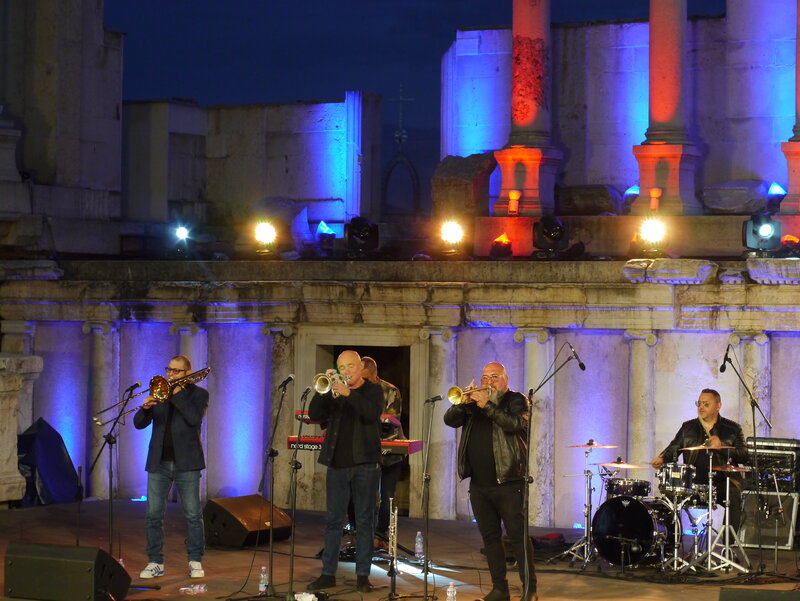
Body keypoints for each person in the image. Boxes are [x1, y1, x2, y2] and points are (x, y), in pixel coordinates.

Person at [443, 362, 537, 601]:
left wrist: (487, 405)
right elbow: (449, 420)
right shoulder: (473, 406)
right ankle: (499, 589)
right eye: (485, 378)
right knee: (490, 537)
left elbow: (514, 424)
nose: (488, 382)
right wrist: (463, 403)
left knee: (517, 537)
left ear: (505, 378)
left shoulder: (517, 400)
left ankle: (530, 589)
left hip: (508, 482)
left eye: (494, 377)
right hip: (479, 484)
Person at [306, 350, 384, 593]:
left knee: (364, 521)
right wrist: (324, 391)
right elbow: (314, 414)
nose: (346, 371)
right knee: (333, 520)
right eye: (342, 367)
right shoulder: (335, 392)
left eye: (350, 366)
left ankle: (363, 576)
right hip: (337, 464)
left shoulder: (373, 391)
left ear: (361, 367)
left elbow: (371, 414)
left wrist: (349, 394)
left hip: (365, 464)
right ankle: (328, 573)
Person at [134, 355, 209, 579]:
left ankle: (195, 560)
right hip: (159, 462)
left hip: (187, 463)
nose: (170, 374)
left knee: (193, 514)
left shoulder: (199, 394)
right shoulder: (160, 393)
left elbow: (194, 419)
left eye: (176, 371)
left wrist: (177, 395)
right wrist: (145, 408)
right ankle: (155, 561)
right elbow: (139, 424)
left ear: (187, 373)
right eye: (169, 369)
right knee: (153, 515)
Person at [651, 388, 748, 529]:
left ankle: (728, 539)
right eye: (699, 403)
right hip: (693, 483)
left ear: (718, 406)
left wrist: (721, 446)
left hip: (722, 482)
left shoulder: (733, 428)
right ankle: (674, 539)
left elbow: (744, 456)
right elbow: (674, 447)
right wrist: (662, 458)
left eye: (706, 404)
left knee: (733, 495)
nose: (701, 407)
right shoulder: (688, 427)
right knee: (670, 497)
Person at [361, 356, 405, 551]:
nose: (363, 382)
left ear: (375, 374)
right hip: (367, 452)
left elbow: (390, 422)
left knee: (387, 496)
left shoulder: (390, 391)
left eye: (366, 378)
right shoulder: (357, 390)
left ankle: (380, 534)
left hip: (390, 453)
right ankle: (366, 534)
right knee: (365, 495)